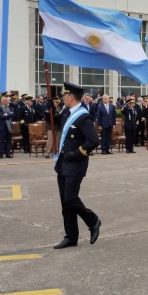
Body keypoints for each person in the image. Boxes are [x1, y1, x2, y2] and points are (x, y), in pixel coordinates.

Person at [53, 82, 100, 249]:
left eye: (64, 96)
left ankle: (93, 220)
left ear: (71, 96)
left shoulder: (83, 116)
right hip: (63, 163)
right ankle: (71, 236)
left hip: (76, 164)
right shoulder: (67, 112)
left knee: (70, 198)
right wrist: (49, 109)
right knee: (65, 202)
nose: (62, 98)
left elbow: (93, 141)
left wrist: (76, 153)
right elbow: (57, 124)